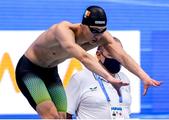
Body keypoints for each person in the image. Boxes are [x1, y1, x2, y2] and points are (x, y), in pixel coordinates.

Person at [15, 5, 161, 119]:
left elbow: (123, 56)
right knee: (51, 116)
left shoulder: (103, 36)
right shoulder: (63, 31)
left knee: (62, 117)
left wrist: (144, 77)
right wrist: (109, 78)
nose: (98, 36)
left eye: (102, 30)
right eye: (94, 30)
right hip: (29, 70)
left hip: (50, 71)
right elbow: (84, 58)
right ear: (83, 26)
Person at [66, 39, 132, 119]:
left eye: (120, 55)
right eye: (111, 55)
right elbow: (66, 114)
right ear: (98, 54)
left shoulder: (124, 78)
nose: (116, 59)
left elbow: (126, 112)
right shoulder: (80, 78)